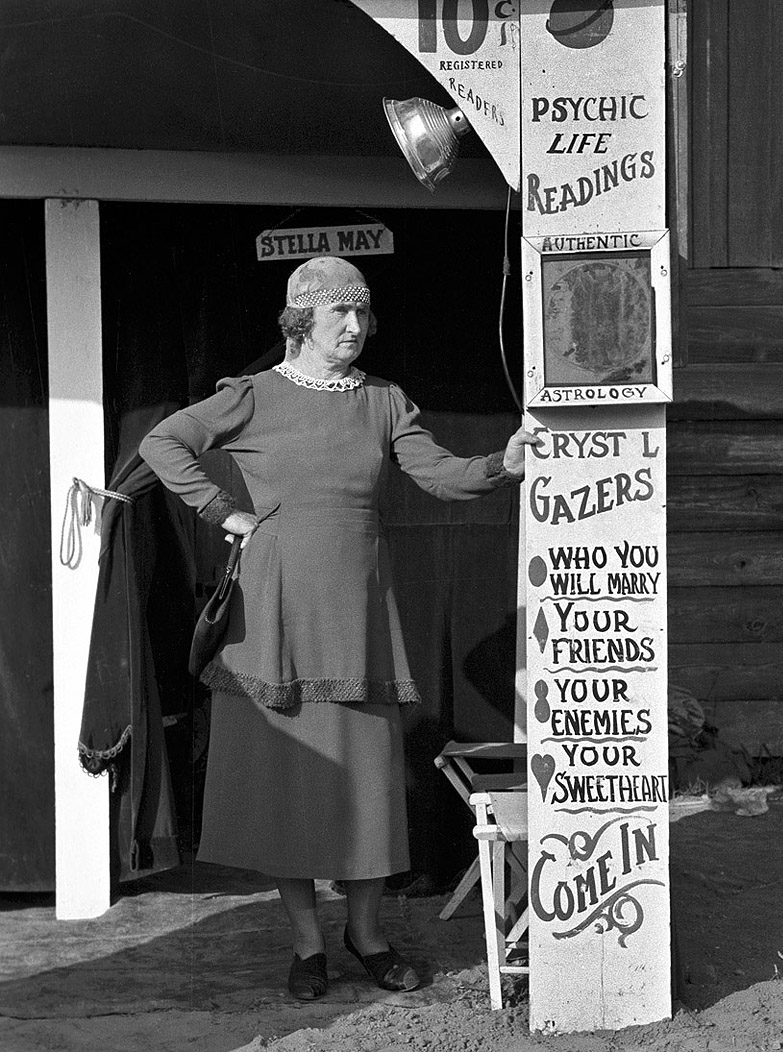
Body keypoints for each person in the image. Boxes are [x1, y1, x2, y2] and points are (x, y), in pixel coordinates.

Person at [140, 256, 538, 1001]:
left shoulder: (384, 399)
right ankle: (304, 944)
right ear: (299, 321)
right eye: (337, 314)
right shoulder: (252, 397)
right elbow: (163, 444)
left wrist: (500, 463)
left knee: (364, 785)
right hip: (275, 614)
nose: (354, 327)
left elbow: (436, 472)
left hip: (357, 621)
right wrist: (226, 512)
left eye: (362, 314)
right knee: (287, 781)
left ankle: (368, 935)